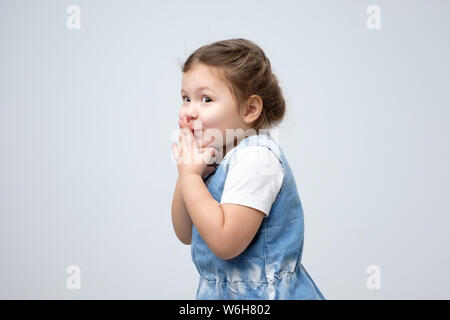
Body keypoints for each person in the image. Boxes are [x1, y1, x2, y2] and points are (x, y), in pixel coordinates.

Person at [171, 38, 325, 299]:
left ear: (250, 109)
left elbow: (225, 242)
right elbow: (186, 232)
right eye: (186, 98)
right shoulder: (215, 159)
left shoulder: (256, 159)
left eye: (206, 99)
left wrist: (190, 177)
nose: (189, 111)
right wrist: (188, 175)